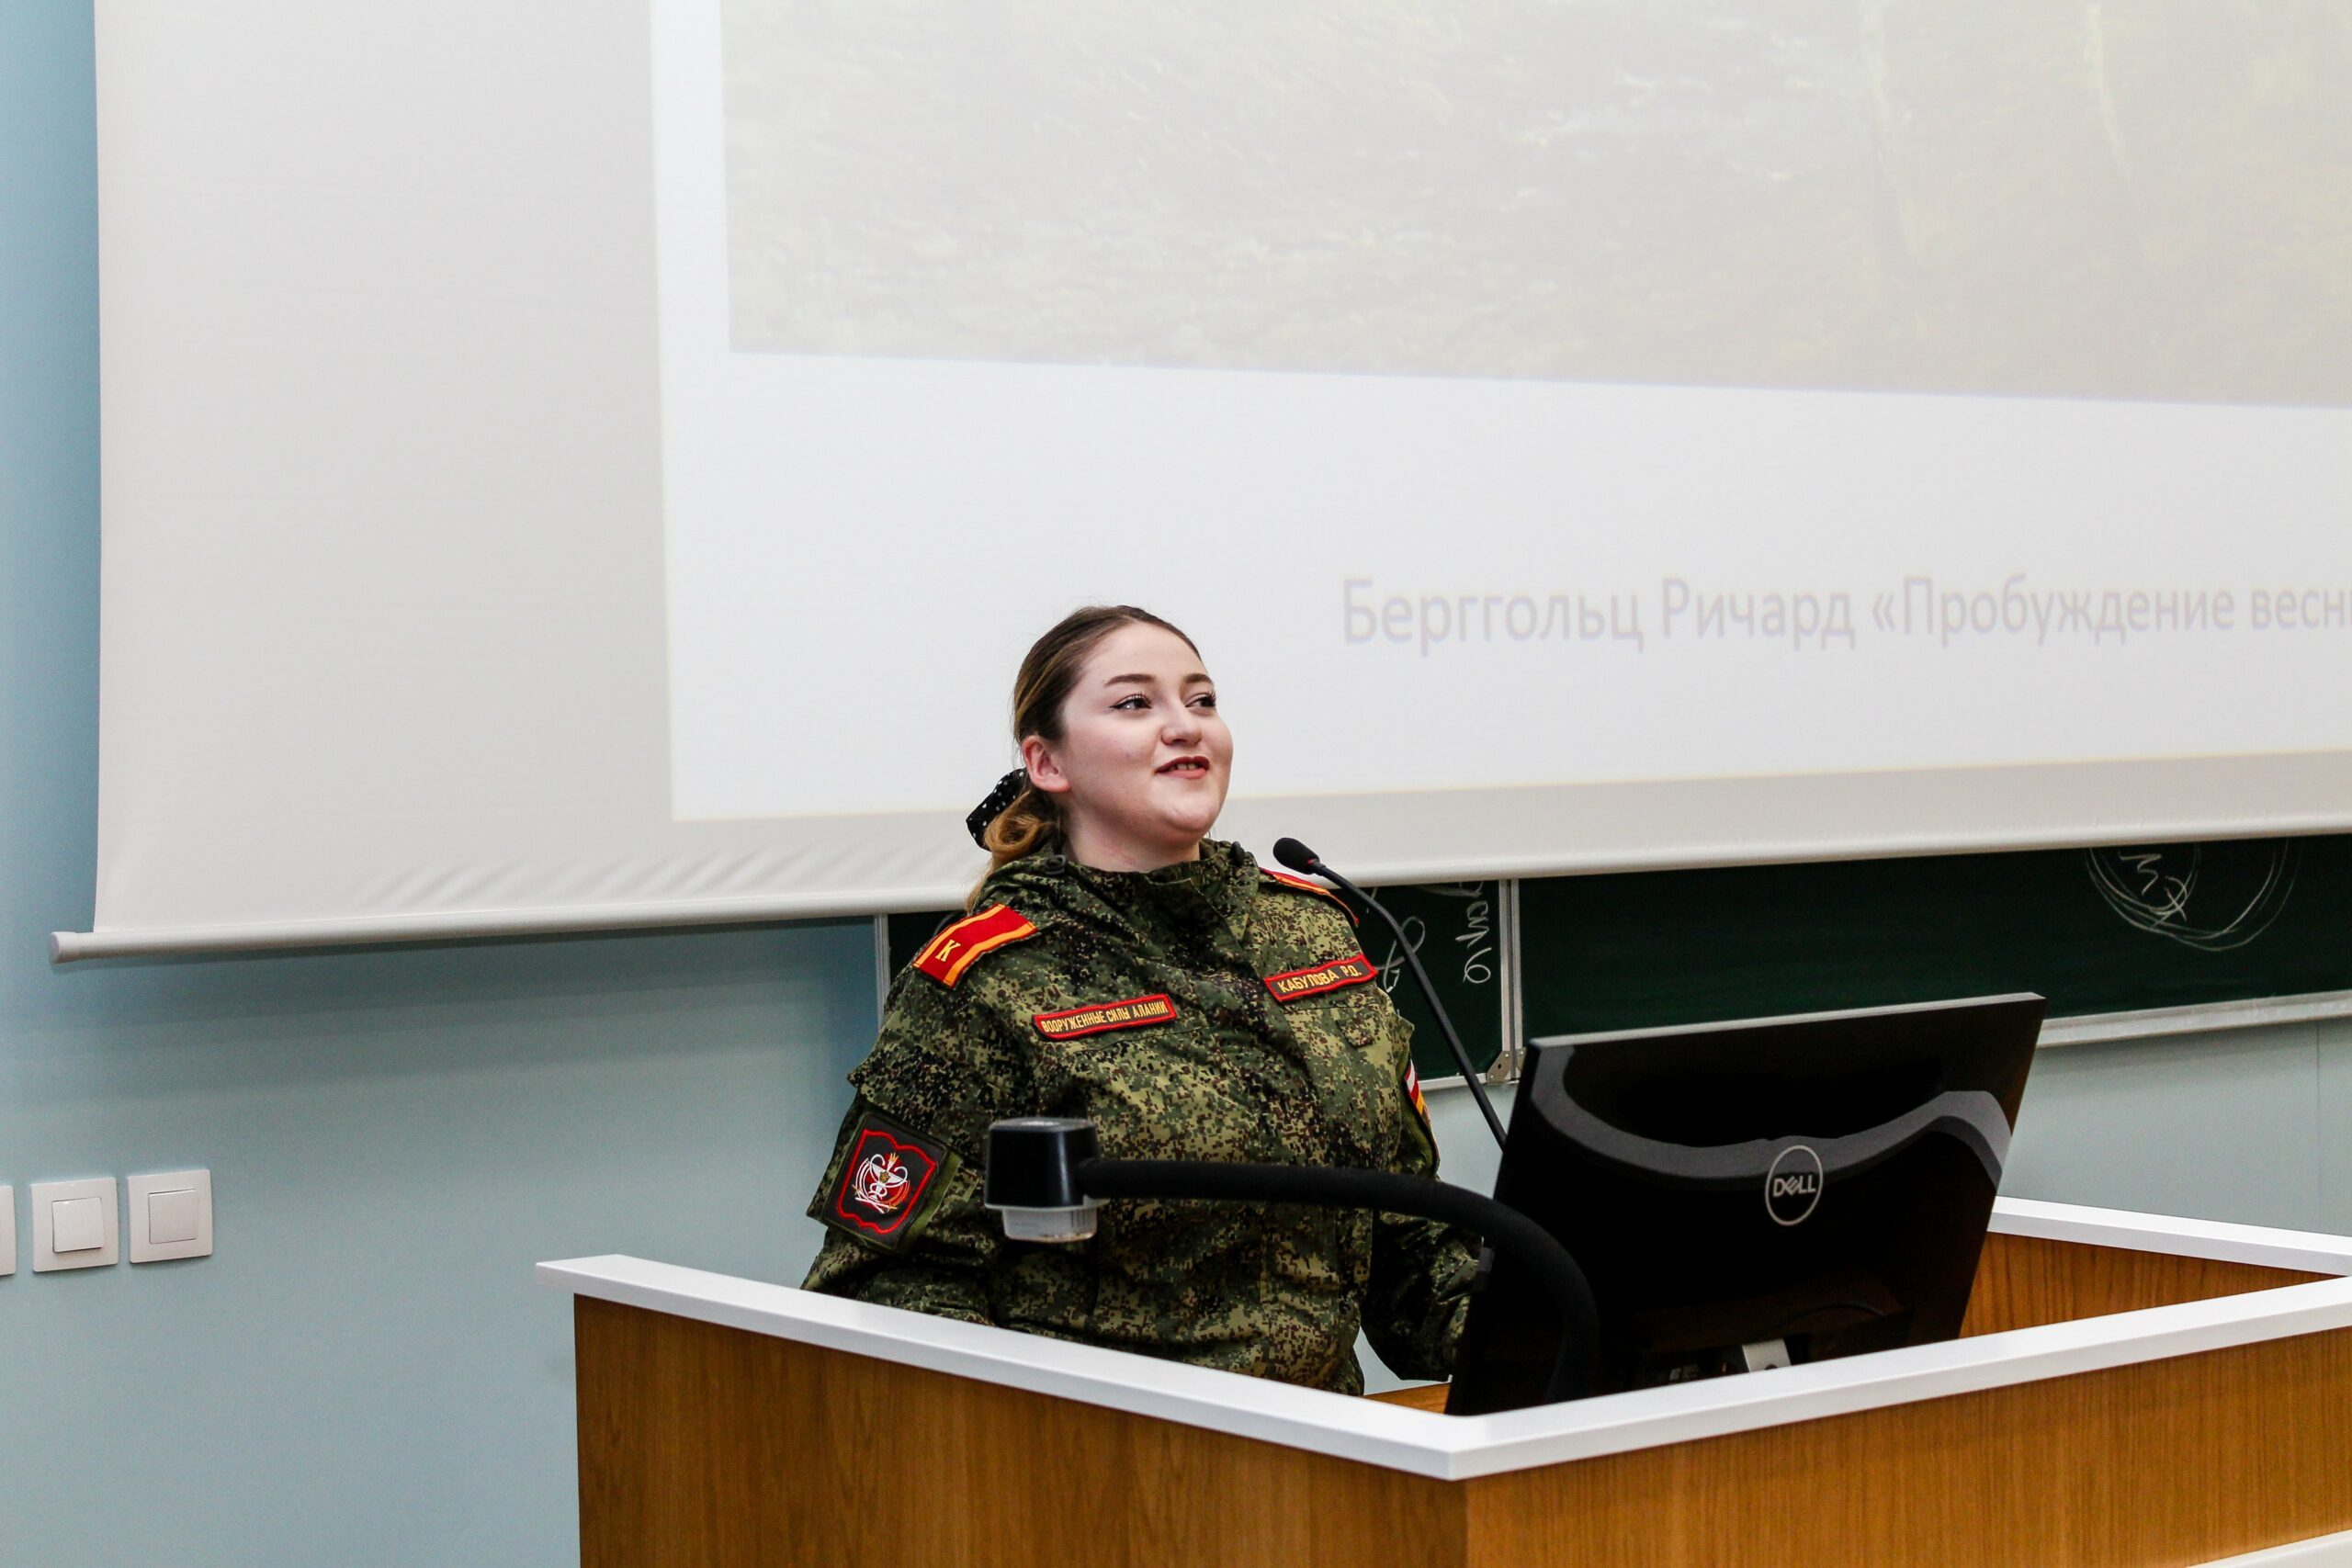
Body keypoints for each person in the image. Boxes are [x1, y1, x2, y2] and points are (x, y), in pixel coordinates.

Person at [800, 604, 1476, 1393]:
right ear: (1047, 763)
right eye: (1134, 703)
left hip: (1325, 1460)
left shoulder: (1316, 933)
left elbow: (1409, 1241)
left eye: (1202, 700)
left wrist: (1558, 1329)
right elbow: (890, 1296)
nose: (1185, 726)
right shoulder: (988, 982)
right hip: (1108, 1475)